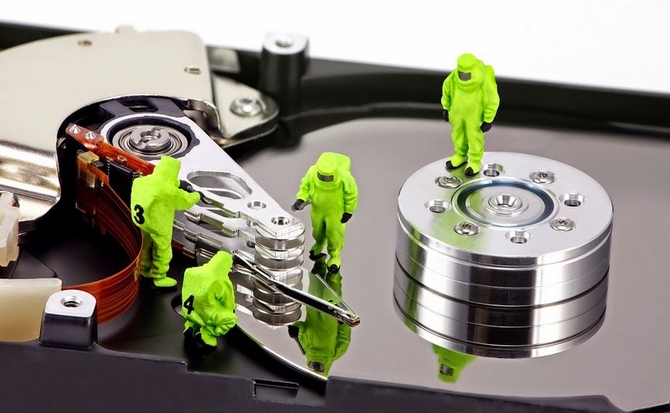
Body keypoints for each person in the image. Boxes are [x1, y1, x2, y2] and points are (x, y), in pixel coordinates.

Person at [130, 156, 201, 288]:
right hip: (159, 227)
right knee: (162, 252)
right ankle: (159, 277)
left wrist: (177, 183)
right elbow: (186, 201)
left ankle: (144, 270)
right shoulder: (168, 191)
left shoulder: (140, 181)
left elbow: (163, 182)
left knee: (145, 247)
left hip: (141, 222)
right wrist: (197, 195)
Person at [291, 152, 358, 274]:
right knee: (317, 231)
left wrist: (349, 211)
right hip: (317, 210)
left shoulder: (344, 177)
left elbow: (351, 194)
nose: (324, 179)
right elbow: (305, 186)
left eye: (328, 177)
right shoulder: (312, 171)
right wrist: (301, 198)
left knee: (335, 234)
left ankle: (334, 256)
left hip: (335, 213)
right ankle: (319, 243)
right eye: (321, 176)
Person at [441, 53, 500, 176]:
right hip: (457, 114)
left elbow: (492, 99)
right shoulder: (453, 78)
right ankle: (460, 155)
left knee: (474, 138)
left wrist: (488, 119)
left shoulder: (484, 80)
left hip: (475, 117)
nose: (463, 77)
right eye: (461, 74)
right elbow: (446, 91)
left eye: (467, 75)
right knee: (458, 135)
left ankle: (474, 161)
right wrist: (446, 108)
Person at [182, 251, 238, 349]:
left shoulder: (192, 271)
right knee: (231, 319)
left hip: (188, 311)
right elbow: (229, 304)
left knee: (198, 305)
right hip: (205, 316)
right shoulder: (222, 281)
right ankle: (207, 334)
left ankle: (191, 326)